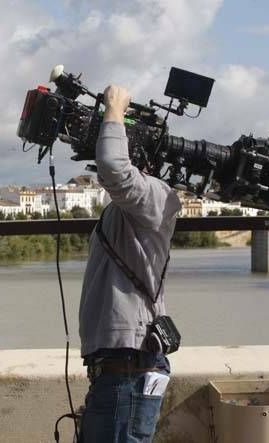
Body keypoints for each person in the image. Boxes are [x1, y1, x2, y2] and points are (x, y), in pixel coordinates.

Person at [78, 85, 181, 442]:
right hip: (117, 375)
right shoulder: (126, 209)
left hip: (129, 375)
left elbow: (113, 167)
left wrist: (115, 109)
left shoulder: (156, 195)